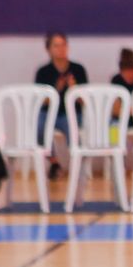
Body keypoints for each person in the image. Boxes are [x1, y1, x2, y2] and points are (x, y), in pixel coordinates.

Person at [34, 32, 87, 178]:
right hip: (49, 113)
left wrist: (74, 89)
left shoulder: (78, 70)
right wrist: (56, 89)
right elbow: (41, 102)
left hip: (71, 113)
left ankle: (78, 167)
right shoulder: (43, 72)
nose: (61, 49)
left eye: (63, 45)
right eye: (56, 46)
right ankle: (54, 162)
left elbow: (85, 101)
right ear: (49, 49)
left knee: (73, 129)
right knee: (39, 126)